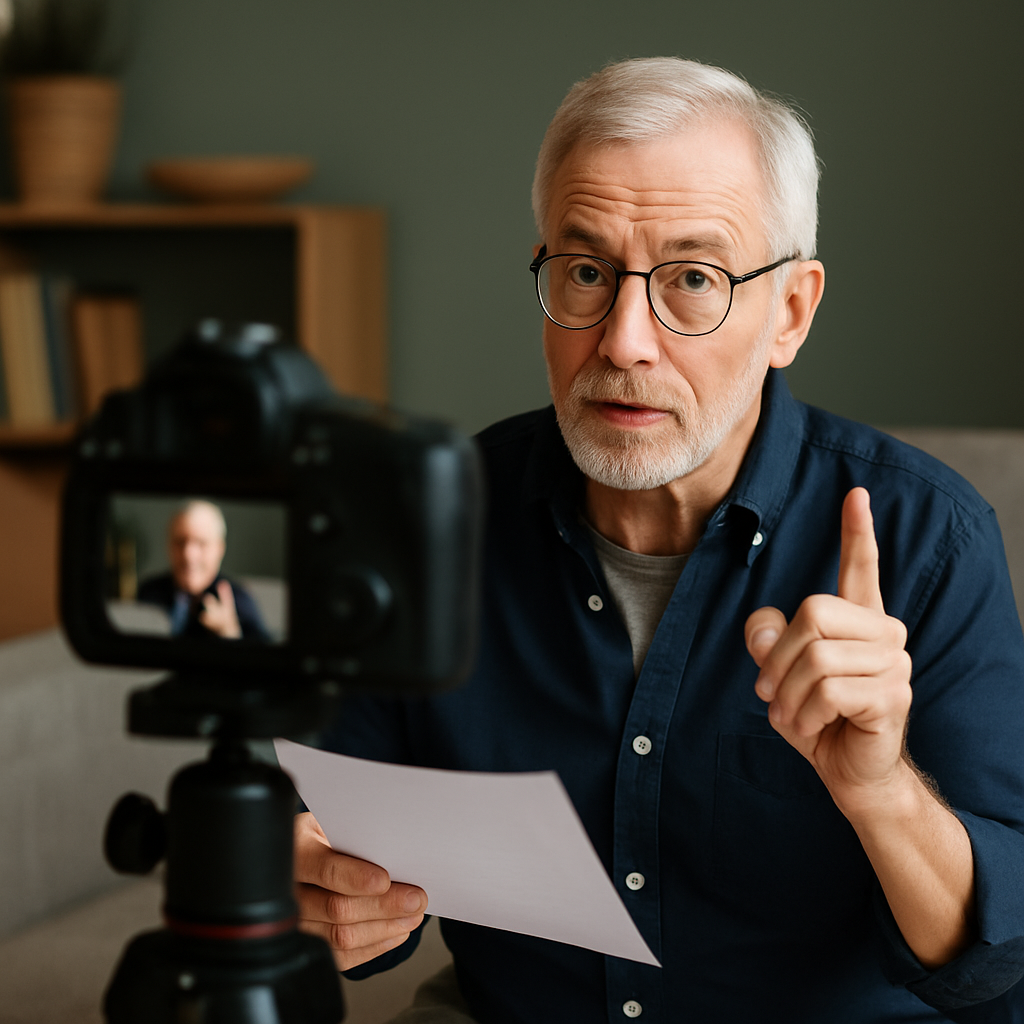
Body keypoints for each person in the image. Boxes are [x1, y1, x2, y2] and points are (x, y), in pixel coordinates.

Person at [294, 58, 1024, 1022]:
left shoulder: (929, 536)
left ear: (790, 313)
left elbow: (990, 964)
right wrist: (322, 904)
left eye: (693, 279)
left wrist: (883, 791)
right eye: (587, 272)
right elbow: (334, 871)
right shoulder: (428, 524)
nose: (625, 339)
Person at [137, 499, 270, 641]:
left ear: (219, 549)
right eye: (180, 542)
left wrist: (230, 633)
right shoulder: (149, 592)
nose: (188, 555)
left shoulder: (239, 601)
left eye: (201, 543)